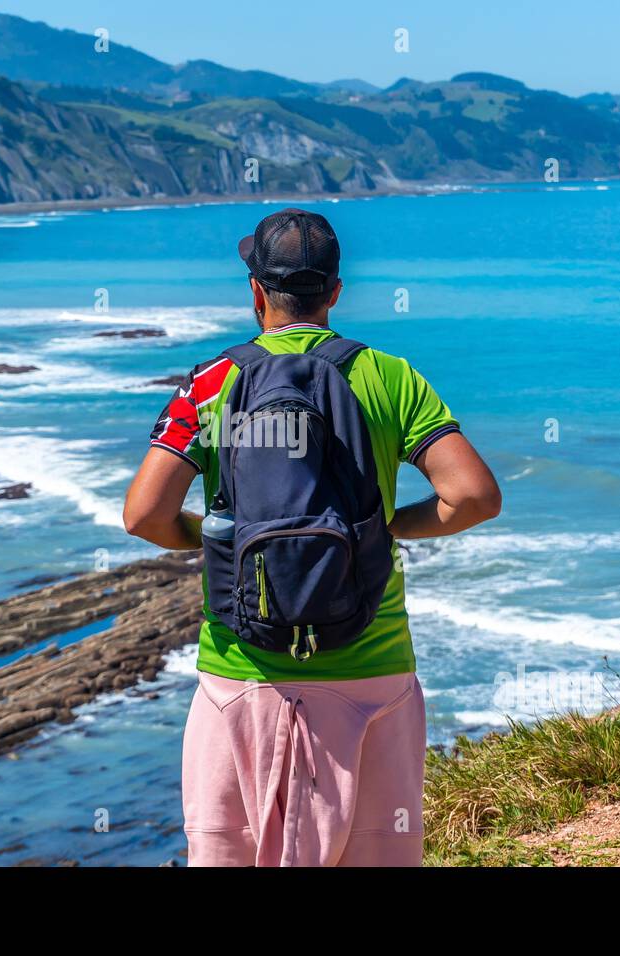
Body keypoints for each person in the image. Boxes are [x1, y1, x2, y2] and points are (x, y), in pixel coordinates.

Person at [123, 208, 501, 866]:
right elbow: (473, 496)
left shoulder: (212, 384)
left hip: (244, 679)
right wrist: (389, 528)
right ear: (334, 292)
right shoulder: (391, 377)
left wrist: (217, 540)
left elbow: (144, 515)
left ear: (256, 292)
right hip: (372, 671)